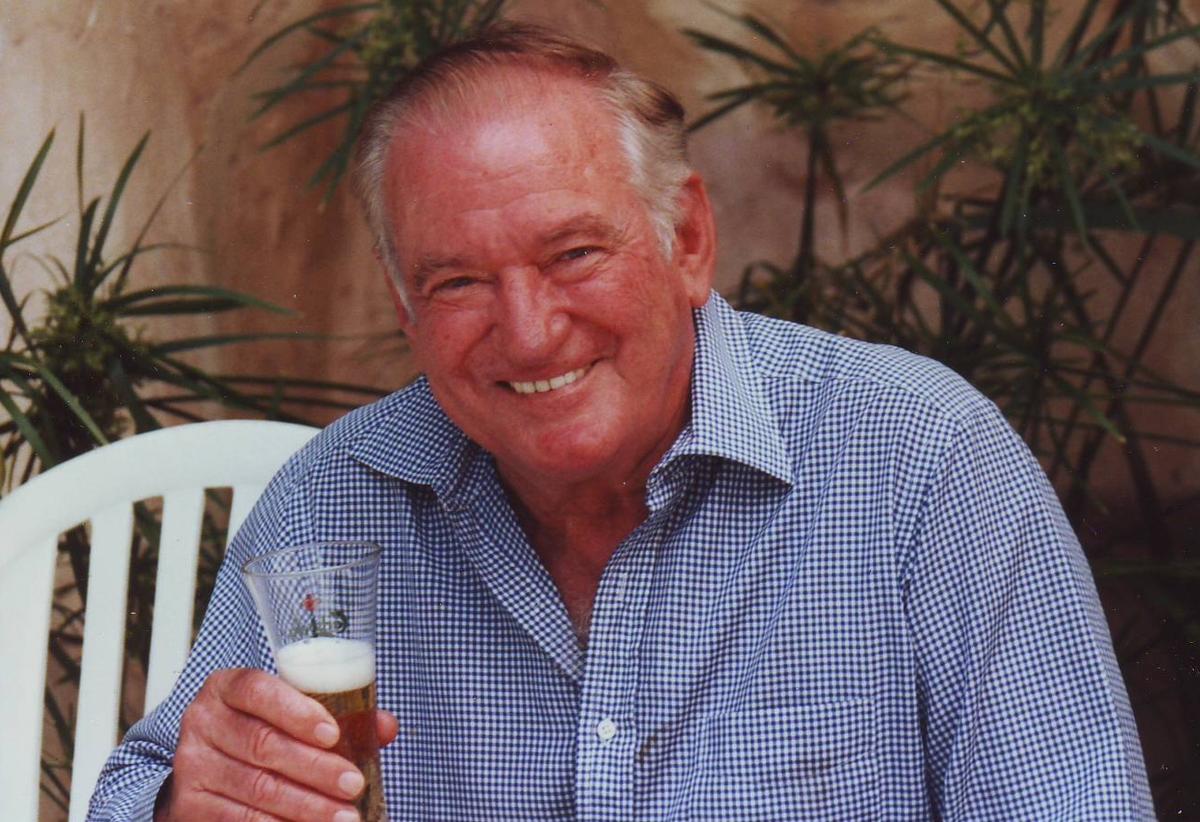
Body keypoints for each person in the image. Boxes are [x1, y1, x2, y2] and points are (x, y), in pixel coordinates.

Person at [88, 23, 1152, 821]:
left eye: (573, 255)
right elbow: (149, 788)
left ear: (687, 240)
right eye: (457, 281)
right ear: (405, 306)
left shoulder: (922, 460)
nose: (528, 332)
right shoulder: (338, 496)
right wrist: (190, 800)